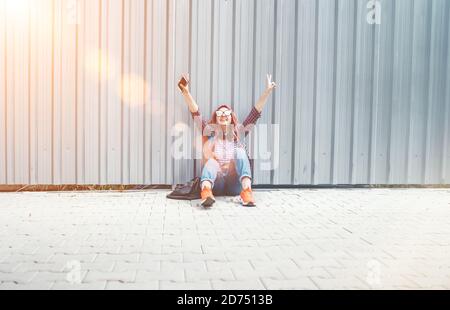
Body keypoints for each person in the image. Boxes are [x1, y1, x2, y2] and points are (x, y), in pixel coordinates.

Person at [179, 74, 277, 207]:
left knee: (240, 152)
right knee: (212, 161)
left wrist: (267, 92)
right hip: (217, 182)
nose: (223, 115)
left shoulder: (238, 132)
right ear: (216, 118)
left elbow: (255, 113)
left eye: (227, 113)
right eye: (220, 113)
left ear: (231, 118)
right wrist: (186, 92)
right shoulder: (210, 131)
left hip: (234, 183)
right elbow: (195, 112)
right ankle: (206, 192)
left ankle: (247, 192)